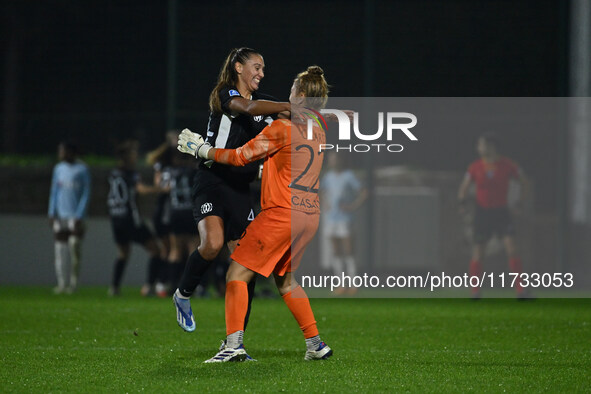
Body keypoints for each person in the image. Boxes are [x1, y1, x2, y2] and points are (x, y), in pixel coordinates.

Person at [178, 65, 332, 362]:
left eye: (291, 90)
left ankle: (233, 345)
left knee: (237, 270)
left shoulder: (282, 128)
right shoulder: (318, 126)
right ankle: (315, 344)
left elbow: (239, 157)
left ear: (299, 94)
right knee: (286, 281)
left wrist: (202, 150)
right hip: (310, 213)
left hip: (281, 213)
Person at [172, 47, 296, 333]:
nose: (261, 74)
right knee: (212, 244)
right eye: (256, 67)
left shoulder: (266, 105)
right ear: (238, 67)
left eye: (263, 69)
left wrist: (335, 116)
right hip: (212, 180)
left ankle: (235, 339)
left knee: (245, 264)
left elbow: (298, 122)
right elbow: (250, 108)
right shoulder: (227, 95)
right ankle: (183, 294)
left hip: (241, 189)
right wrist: (287, 106)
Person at [457, 133, 530, 299]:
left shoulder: (507, 165)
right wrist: (462, 203)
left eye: (482, 145)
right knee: (479, 253)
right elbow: (464, 187)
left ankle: (521, 290)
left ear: (491, 147)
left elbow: (524, 182)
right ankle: (475, 291)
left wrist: (520, 202)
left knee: (512, 249)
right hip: (482, 213)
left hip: (501, 212)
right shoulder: (475, 167)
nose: (479, 148)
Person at [107, 140, 168, 296]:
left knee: (123, 253)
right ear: (127, 156)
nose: (136, 156)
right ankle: (148, 286)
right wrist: (161, 189)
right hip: (130, 219)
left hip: (115, 218)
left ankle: (114, 287)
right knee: (157, 249)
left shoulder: (114, 173)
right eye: (133, 153)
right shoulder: (131, 174)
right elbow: (140, 189)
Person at [320, 152, 367, 295]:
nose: (332, 162)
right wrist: (325, 204)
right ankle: (340, 284)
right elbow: (321, 192)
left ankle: (353, 284)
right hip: (330, 219)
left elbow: (364, 192)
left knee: (348, 250)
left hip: (345, 219)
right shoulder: (328, 177)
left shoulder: (349, 176)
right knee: (336, 251)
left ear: (340, 160)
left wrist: (352, 206)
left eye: (335, 159)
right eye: (331, 160)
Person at [48, 142, 91, 294]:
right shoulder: (58, 168)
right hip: (60, 216)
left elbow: (86, 193)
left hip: (75, 216)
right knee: (60, 250)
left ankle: (73, 284)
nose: (61, 154)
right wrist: (51, 212)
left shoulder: (82, 169)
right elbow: (54, 191)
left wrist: (80, 214)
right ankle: (61, 284)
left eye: (63, 151)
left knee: (74, 247)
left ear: (71, 152)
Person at [146, 132, 177, 297]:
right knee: (167, 249)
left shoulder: (179, 163)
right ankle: (157, 283)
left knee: (169, 249)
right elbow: (158, 184)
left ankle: (156, 283)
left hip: (173, 210)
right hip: (164, 210)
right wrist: (167, 187)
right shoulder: (162, 164)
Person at [167, 151, 200, 292]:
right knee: (193, 249)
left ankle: (172, 284)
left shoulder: (172, 172)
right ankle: (190, 285)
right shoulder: (193, 172)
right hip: (189, 211)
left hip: (175, 212)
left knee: (175, 250)